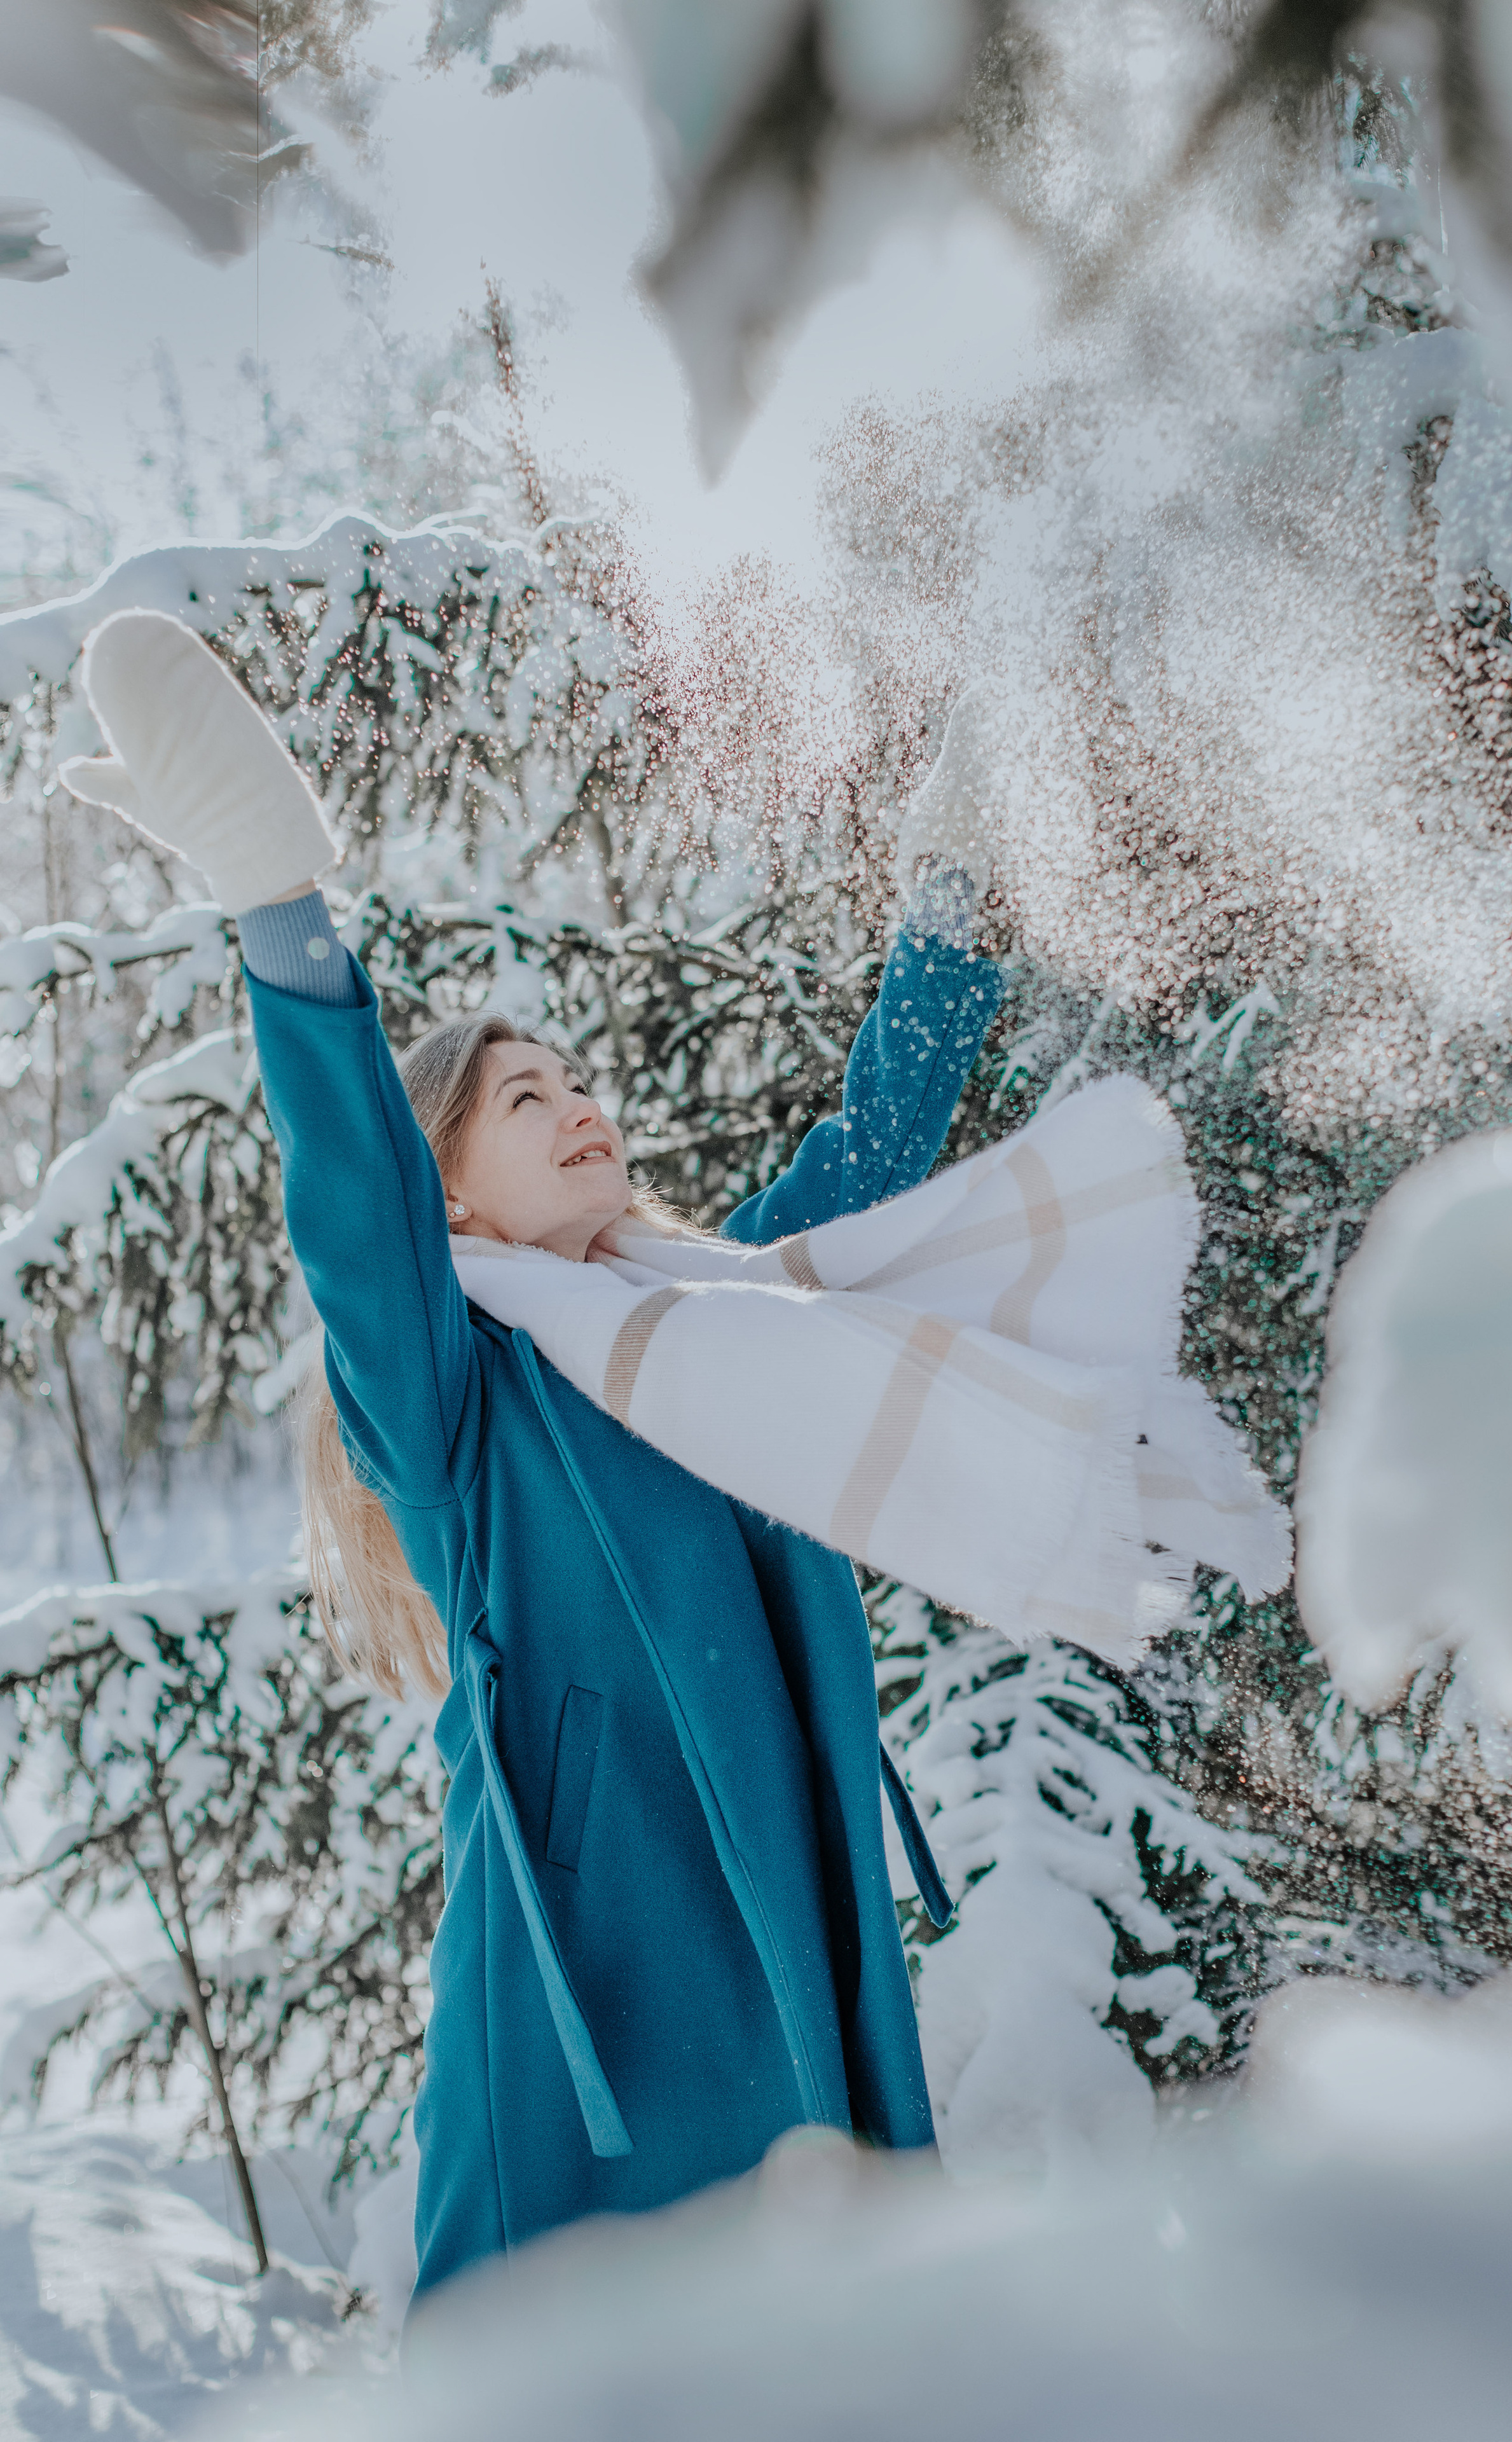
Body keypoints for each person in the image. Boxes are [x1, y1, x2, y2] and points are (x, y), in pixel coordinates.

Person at [59, 612, 1006, 2305]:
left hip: (791, 1929)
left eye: (578, 1079)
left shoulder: (725, 1306)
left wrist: (963, 876)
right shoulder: (458, 1404)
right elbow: (357, 1224)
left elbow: (875, 1142)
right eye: (521, 1099)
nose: (581, 1105)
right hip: (600, 1993)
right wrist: (279, 905)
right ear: (457, 1193)